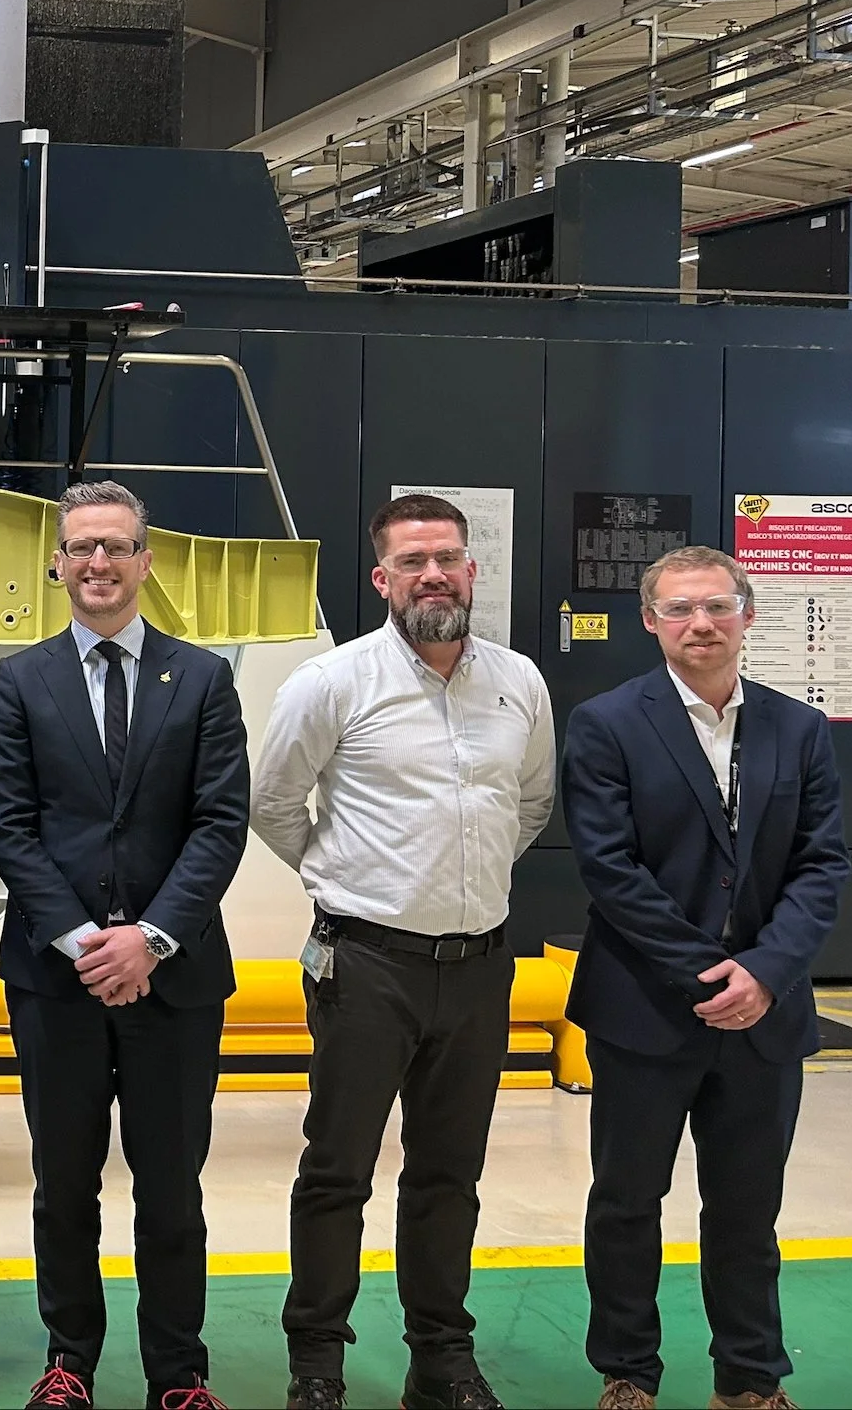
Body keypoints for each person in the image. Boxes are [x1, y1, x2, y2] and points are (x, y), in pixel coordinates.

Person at [251, 493, 554, 1410]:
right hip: (366, 966)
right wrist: (349, 877)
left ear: (472, 571)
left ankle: (442, 1360)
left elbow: (531, 804)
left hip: (479, 968)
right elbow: (273, 804)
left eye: (448, 559)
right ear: (382, 579)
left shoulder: (520, 683)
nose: (434, 576)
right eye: (413, 562)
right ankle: (317, 1362)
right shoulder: (332, 682)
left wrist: (463, 881)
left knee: (448, 1176)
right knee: (337, 1170)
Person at [0, 480, 249, 1410]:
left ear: (145, 561)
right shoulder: (22, 681)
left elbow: (220, 822)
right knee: (63, 1185)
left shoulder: (202, 678)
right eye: (82, 547)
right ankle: (70, 1362)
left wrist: (153, 938)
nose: (99, 562)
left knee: (172, 1189)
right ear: (57, 564)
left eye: (117, 547)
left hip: (177, 980)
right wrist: (85, 941)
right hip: (55, 981)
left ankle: (178, 1373)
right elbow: (8, 822)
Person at [562, 547, 849, 1410]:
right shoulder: (607, 723)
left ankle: (750, 1379)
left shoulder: (800, 729)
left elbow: (821, 866)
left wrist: (764, 972)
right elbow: (609, 869)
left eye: (718, 606)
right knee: (626, 1201)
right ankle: (627, 1373)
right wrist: (706, 973)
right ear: (650, 621)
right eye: (681, 609)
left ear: (747, 615)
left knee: (747, 1208)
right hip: (642, 1010)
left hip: (764, 1016)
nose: (701, 624)